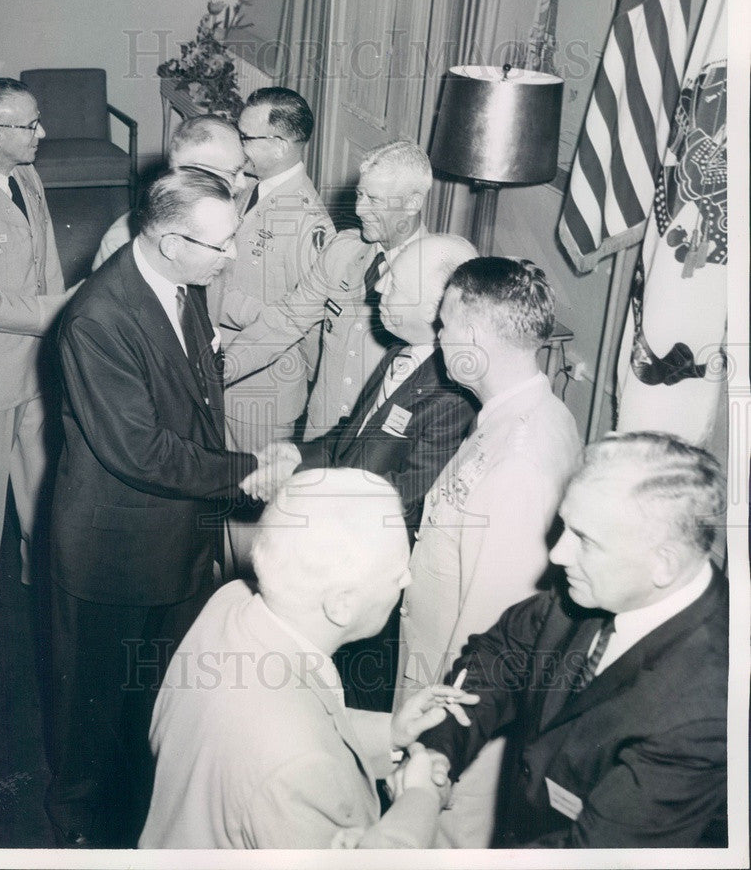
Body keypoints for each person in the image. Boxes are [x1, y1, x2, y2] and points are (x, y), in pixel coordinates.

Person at [46, 169, 260, 848]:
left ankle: (142, 826)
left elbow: (197, 396)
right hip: (115, 552)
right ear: (170, 241)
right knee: (95, 714)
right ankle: (77, 836)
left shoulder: (182, 281)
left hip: (177, 538)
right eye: (220, 246)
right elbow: (140, 453)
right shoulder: (99, 317)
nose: (233, 257)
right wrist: (248, 473)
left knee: (158, 702)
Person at [139, 468, 479, 850]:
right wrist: (421, 798)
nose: (406, 581)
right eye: (398, 572)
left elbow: (300, 717)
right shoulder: (297, 768)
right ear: (341, 606)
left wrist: (392, 734)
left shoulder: (232, 603)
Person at [418, 432, 728, 849]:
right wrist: (438, 754)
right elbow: (499, 656)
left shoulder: (706, 707)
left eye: (585, 540)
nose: (558, 554)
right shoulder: (597, 588)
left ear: (664, 564)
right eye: (566, 526)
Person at [242, 234, 480, 710]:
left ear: (440, 305)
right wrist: (296, 458)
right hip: (339, 556)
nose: (378, 286)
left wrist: (305, 494)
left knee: (355, 707)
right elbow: (350, 436)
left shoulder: (453, 393)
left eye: (395, 280)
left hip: (372, 584)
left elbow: (403, 496)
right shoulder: (404, 352)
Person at [395, 256, 582, 847]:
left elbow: (493, 625)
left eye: (445, 324)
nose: (439, 337)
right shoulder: (512, 417)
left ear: (474, 335)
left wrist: (440, 744)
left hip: (459, 721)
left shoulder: (521, 456)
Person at [224, 139, 431, 441]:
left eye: (374, 200)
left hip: (378, 446)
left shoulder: (437, 274)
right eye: (360, 195)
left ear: (412, 203)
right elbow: (287, 320)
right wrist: (222, 369)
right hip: (319, 434)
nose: (360, 209)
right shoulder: (343, 251)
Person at [0, 77, 79, 605]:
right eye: (30, 124)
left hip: (34, 361)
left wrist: (58, 322)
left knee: (40, 477)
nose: (43, 132)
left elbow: (47, 258)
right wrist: (48, 313)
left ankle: (43, 575)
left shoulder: (27, 173)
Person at [220, 87, 334, 454]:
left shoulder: (308, 222)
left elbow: (306, 324)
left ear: (281, 145)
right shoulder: (248, 187)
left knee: (250, 501)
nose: (237, 147)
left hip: (261, 396)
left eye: (245, 138)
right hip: (226, 372)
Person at [91, 114, 248, 272]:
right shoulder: (123, 243)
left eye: (243, 169)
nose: (243, 183)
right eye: (234, 173)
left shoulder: (238, 211)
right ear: (196, 174)